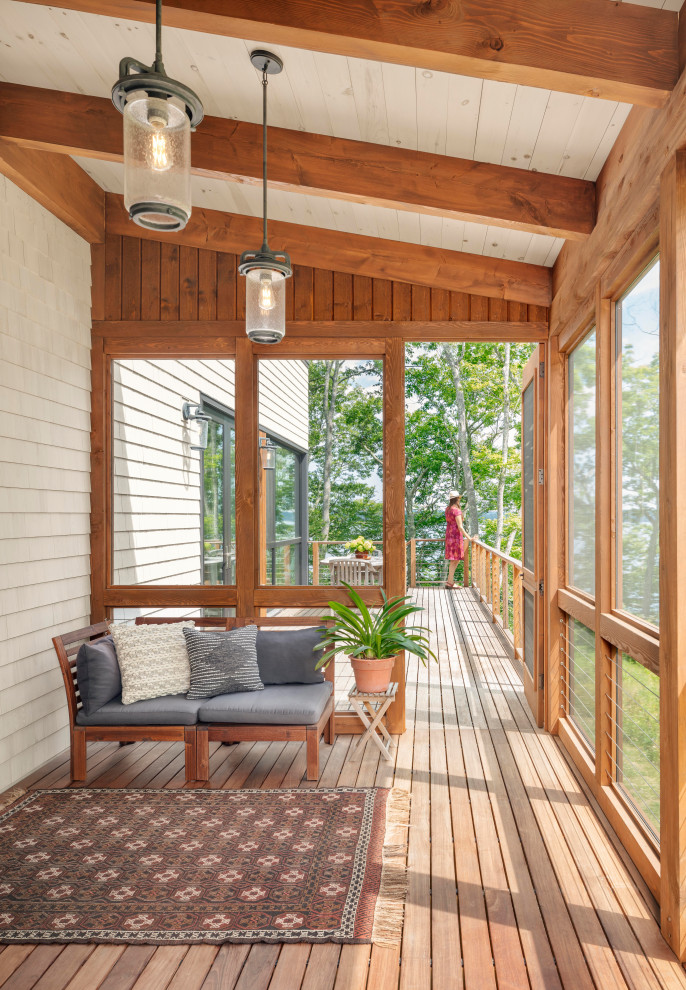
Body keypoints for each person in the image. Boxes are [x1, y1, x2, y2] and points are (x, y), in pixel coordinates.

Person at [444, 490, 470, 589]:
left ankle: (450, 582)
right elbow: (460, 527)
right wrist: (469, 538)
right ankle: (450, 582)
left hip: (449, 536)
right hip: (455, 537)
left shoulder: (448, 509)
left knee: (454, 560)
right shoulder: (456, 511)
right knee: (455, 560)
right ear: (457, 499)